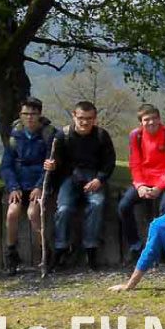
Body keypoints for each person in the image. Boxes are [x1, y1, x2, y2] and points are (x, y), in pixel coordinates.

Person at [44, 101, 116, 271]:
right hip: (69, 176)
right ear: (74, 116)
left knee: (97, 204)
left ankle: (91, 249)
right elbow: (54, 160)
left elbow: (109, 161)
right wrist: (51, 166)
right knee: (63, 209)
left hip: (93, 176)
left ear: (95, 118)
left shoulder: (101, 136)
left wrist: (100, 179)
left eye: (89, 118)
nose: (85, 122)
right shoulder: (62, 135)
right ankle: (60, 248)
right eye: (81, 118)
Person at [0, 97, 57, 275]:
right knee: (12, 213)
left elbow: (51, 163)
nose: (29, 117)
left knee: (33, 213)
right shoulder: (14, 136)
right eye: (26, 114)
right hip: (19, 182)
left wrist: (40, 185)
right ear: (21, 115)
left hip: (39, 183)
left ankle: (45, 254)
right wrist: (12, 186)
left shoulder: (49, 135)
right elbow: (6, 165)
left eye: (33, 114)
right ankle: (11, 254)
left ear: (39, 115)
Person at [119, 104, 165, 260]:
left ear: (160, 119)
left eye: (155, 118)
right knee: (124, 206)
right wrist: (140, 185)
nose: (151, 122)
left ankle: (163, 249)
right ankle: (135, 246)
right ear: (141, 122)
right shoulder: (136, 135)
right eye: (147, 120)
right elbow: (135, 163)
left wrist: (159, 187)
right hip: (144, 181)